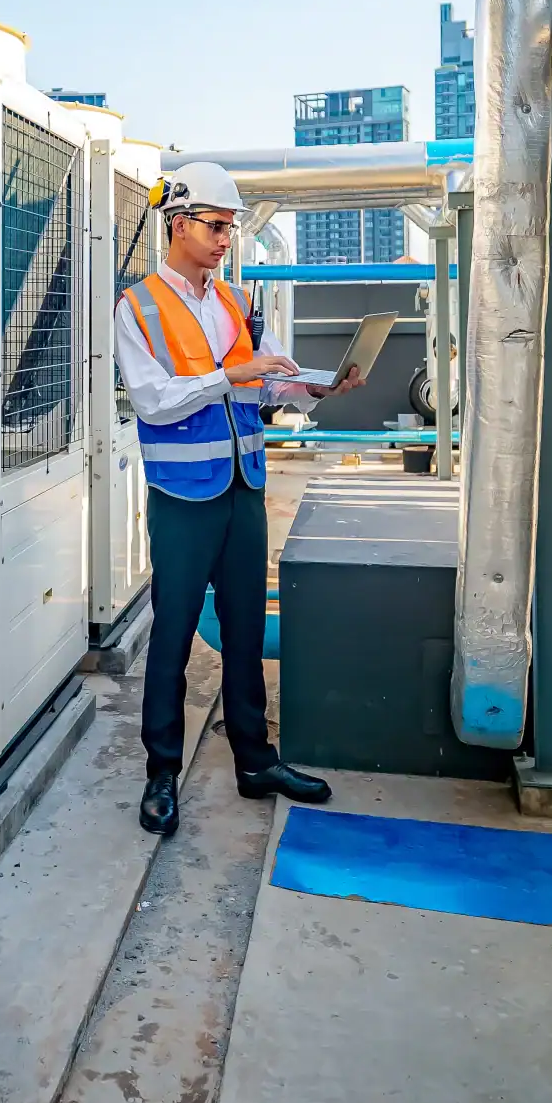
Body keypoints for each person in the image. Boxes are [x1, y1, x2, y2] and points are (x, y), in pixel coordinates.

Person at [115, 162, 362, 837]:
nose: (227, 238)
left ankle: (255, 761)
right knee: (171, 635)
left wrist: (316, 387)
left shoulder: (234, 303)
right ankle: (161, 773)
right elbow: (153, 401)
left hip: (244, 487)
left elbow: (266, 382)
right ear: (179, 223)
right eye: (216, 225)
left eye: (231, 227)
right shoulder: (136, 307)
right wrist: (231, 374)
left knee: (247, 629)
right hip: (183, 497)